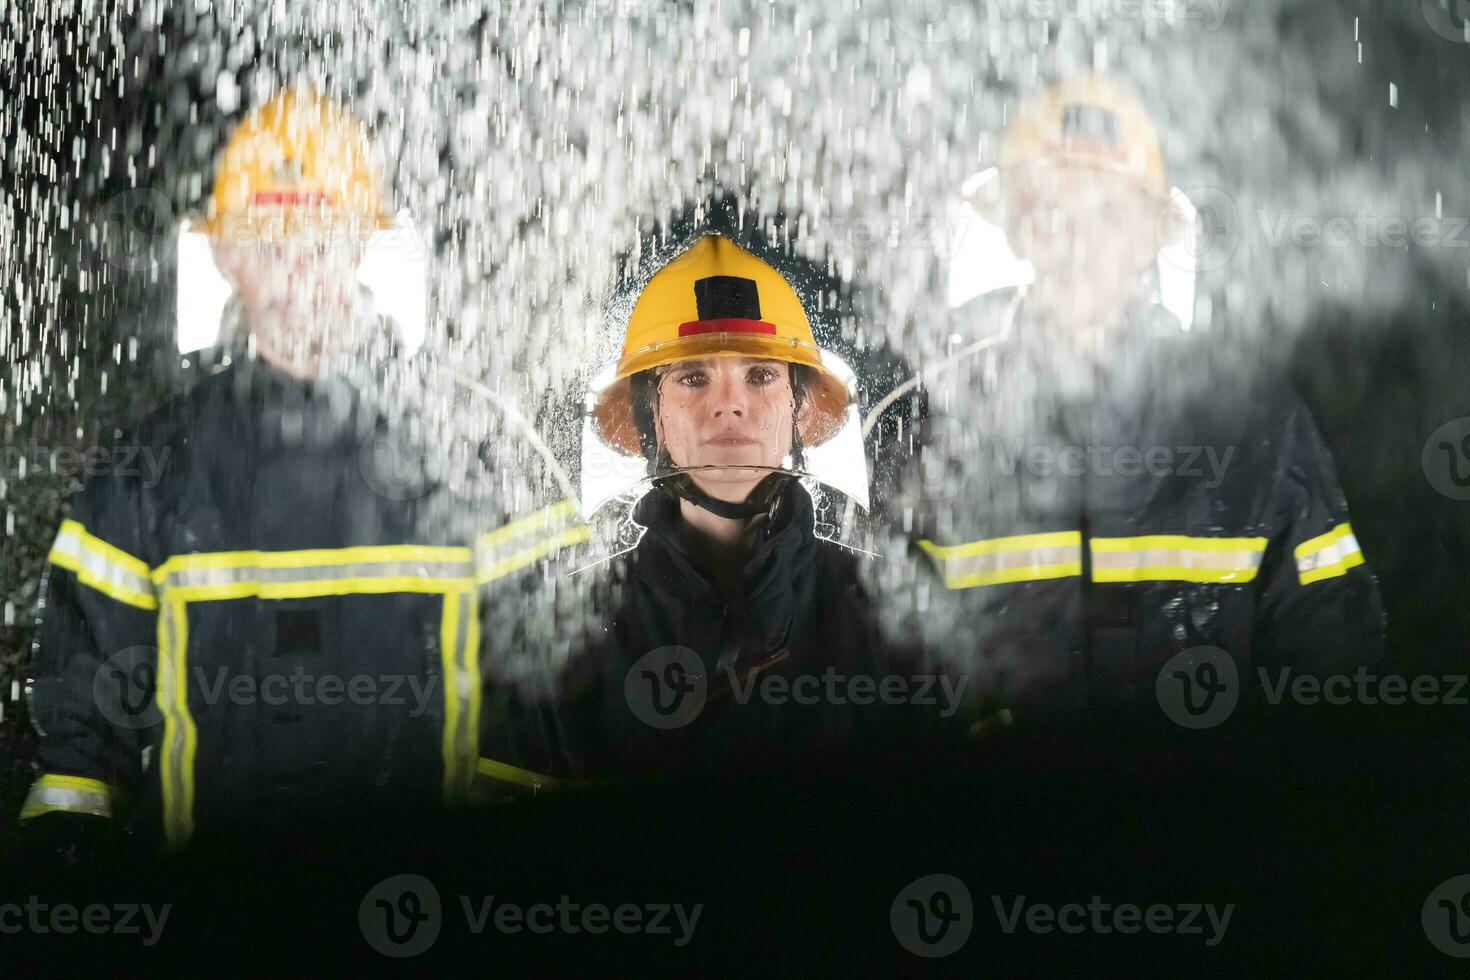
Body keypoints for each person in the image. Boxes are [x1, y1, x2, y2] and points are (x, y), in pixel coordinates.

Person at [19, 88, 570, 855]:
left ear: (358, 245)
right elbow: (80, 755)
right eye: (268, 241)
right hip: (214, 944)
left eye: (319, 238)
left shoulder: (478, 454)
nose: (296, 269)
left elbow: (547, 717)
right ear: (223, 255)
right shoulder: (144, 475)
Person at [876, 73, 1385, 726]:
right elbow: (879, 671)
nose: (1079, 243)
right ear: (1017, 229)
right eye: (1052, 211)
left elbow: (1330, 637)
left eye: (1109, 213)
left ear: (1152, 234)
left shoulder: (1253, 416)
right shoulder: (928, 420)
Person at [548, 233, 927, 779]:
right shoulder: (574, 625)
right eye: (693, 377)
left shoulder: (887, 612)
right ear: (651, 416)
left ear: (797, 409)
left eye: (761, 375)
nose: (728, 405)